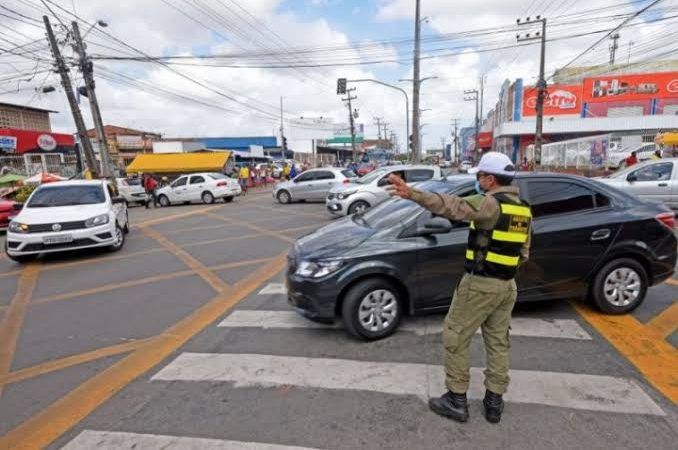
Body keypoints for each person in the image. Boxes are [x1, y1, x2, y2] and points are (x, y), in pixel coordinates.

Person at [386, 152, 531, 424]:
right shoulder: (522, 208)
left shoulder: (490, 204)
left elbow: (453, 206)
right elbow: (524, 253)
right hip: (507, 286)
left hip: (480, 285)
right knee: (498, 343)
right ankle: (494, 402)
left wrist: (413, 194)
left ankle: (456, 400)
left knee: (454, 336)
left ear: (489, 179)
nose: (478, 181)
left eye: (479, 177)